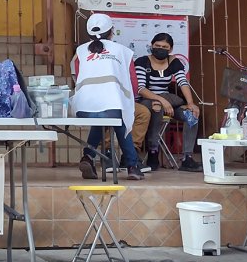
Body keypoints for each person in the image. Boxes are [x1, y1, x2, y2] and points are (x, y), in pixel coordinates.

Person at [72, 13, 144, 181]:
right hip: (113, 107)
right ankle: (132, 165)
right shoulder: (123, 51)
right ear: (112, 31)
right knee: (120, 121)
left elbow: (77, 76)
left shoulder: (81, 51)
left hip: (83, 108)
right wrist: (129, 101)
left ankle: (88, 157)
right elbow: (133, 81)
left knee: (101, 118)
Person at [134, 33, 202, 172]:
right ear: (151, 46)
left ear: (170, 49)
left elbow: (183, 82)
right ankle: (153, 152)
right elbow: (140, 89)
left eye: (164, 47)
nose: (160, 49)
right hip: (147, 100)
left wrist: (190, 103)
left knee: (192, 115)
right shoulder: (142, 62)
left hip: (168, 102)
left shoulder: (174, 62)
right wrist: (161, 100)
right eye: (157, 46)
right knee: (157, 107)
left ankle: (187, 158)